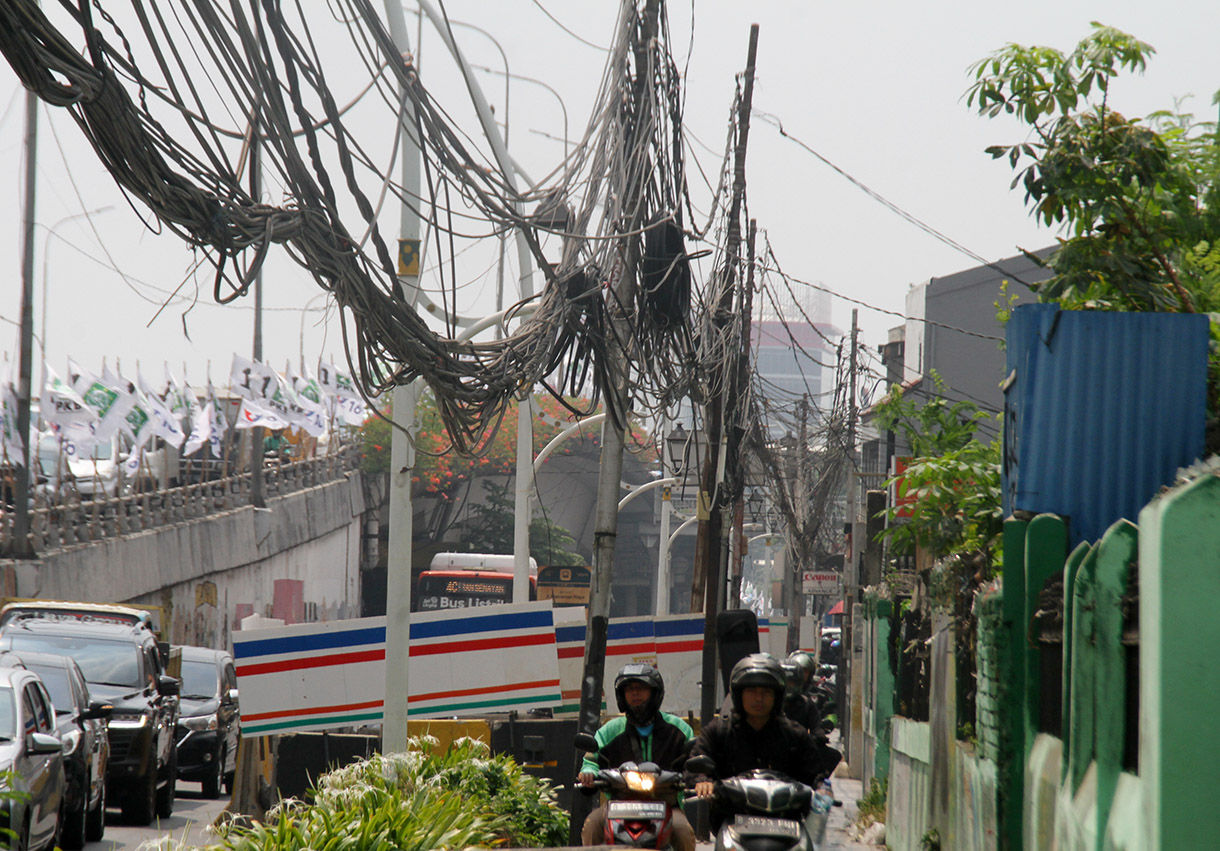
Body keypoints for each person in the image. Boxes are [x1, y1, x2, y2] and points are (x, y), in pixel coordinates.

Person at [688, 653, 834, 831]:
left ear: (777, 696)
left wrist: (822, 791)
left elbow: (816, 774)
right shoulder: (719, 730)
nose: (759, 698)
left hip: (786, 826)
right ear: (739, 693)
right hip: (733, 824)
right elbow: (696, 762)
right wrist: (702, 781)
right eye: (752, 691)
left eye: (766, 692)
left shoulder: (794, 734)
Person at [580, 663, 696, 851]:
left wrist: (696, 778)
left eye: (641, 688)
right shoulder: (610, 730)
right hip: (618, 804)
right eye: (629, 689)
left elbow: (693, 761)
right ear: (622, 695)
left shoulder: (679, 730)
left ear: (655, 693)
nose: (635, 694)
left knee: (683, 832)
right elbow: (591, 759)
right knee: (592, 826)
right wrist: (588, 773)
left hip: (666, 804)